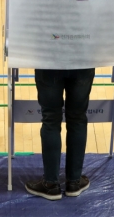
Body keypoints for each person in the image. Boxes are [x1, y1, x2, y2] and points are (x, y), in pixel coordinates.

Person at [24, 68, 95, 200]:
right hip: (83, 61)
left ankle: (50, 184)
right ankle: (74, 182)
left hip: (49, 63)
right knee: (78, 118)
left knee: (51, 120)